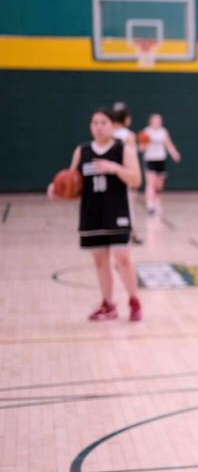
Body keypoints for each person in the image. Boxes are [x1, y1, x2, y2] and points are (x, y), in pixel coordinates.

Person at [48, 108, 143, 321]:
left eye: (103, 123)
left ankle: (134, 300)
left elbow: (136, 180)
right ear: (91, 127)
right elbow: (72, 182)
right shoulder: (82, 151)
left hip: (117, 210)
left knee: (122, 257)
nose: (99, 127)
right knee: (101, 261)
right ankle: (108, 304)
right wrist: (57, 190)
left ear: (112, 126)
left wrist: (114, 168)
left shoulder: (122, 149)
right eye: (95, 123)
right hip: (91, 212)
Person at [110, 103, 143, 244]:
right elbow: (132, 157)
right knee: (128, 204)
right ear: (125, 119)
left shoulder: (108, 134)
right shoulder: (129, 135)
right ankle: (133, 232)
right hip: (125, 174)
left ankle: (117, 230)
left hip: (110, 173)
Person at [138, 113, 182, 215]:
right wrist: (144, 143)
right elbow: (141, 148)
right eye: (155, 120)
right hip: (150, 160)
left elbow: (168, 144)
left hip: (160, 159)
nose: (157, 122)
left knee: (159, 184)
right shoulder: (146, 132)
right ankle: (150, 204)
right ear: (151, 121)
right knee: (150, 182)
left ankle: (157, 201)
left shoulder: (163, 131)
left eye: (159, 120)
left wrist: (174, 153)